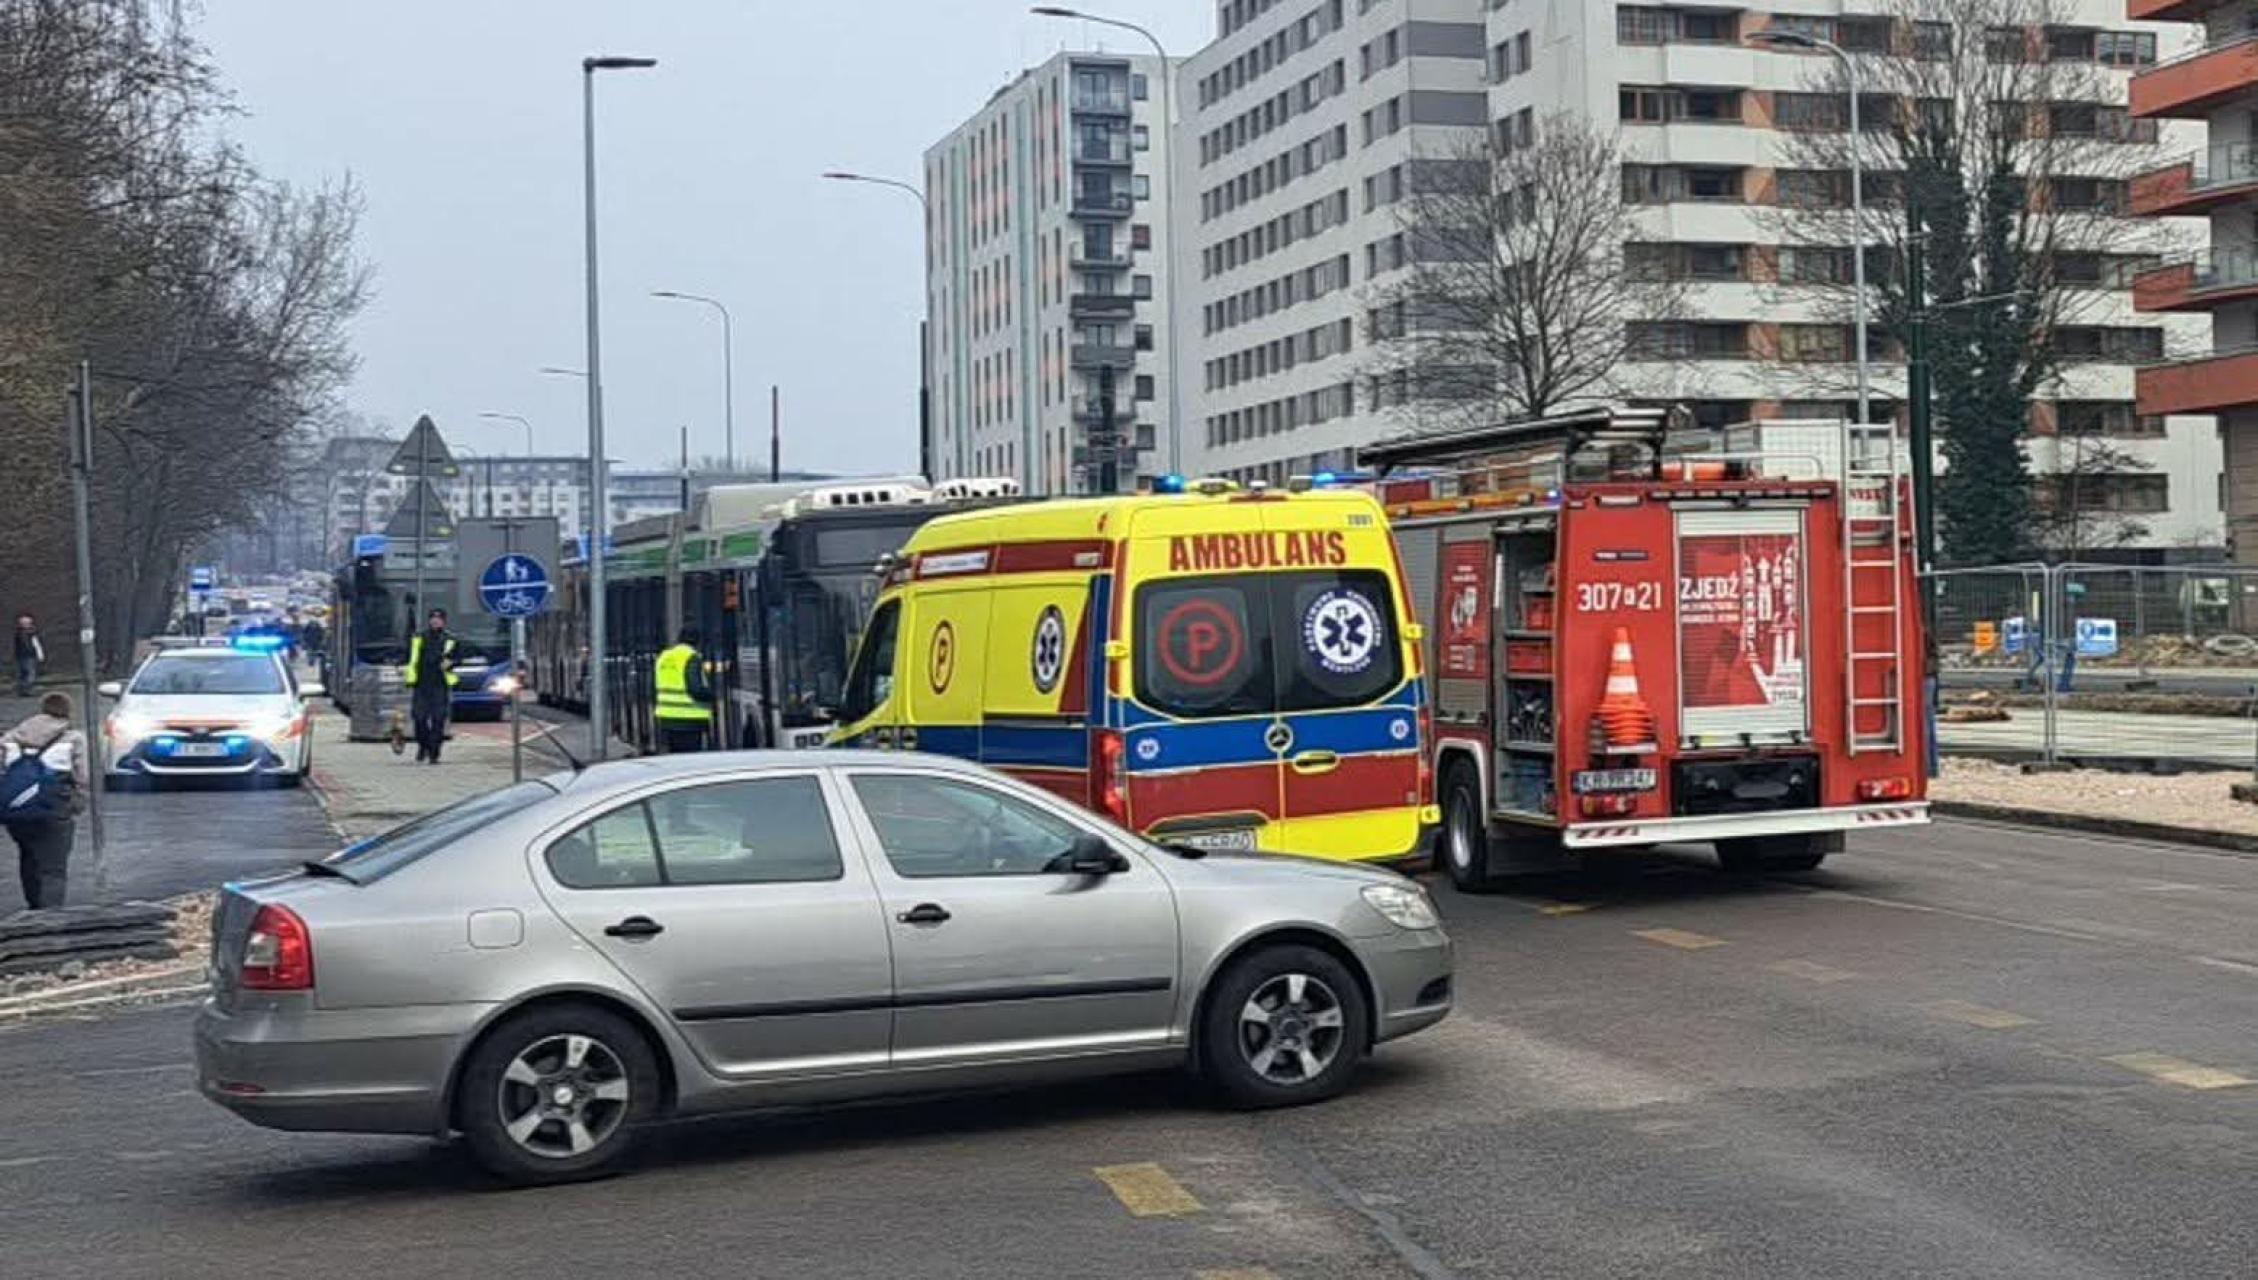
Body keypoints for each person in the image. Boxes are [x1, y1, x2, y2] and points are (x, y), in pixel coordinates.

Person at [2, 692, 89, 910]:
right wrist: (78, 804)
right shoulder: (74, 739)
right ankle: (50, 917)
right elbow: (83, 777)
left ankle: (33, 907)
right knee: (53, 868)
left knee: (28, 858)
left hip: (17, 812)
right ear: (68, 711)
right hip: (55, 810)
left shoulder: (11, 737)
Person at [403, 608, 459, 764]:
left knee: (438, 720)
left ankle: (434, 753)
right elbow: (409, 656)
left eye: (439, 618)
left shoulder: (451, 640)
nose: (435, 621)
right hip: (421, 684)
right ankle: (423, 746)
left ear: (444, 621)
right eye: (433, 618)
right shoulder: (418, 638)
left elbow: (459, 657)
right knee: (419, 719)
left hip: (440, 684)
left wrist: (452, 663)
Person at [653, 627, 715, 754]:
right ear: (697, 642)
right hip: (689, 720)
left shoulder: (664, 657)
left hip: (667, 719)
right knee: (690, 758)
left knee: (676, 758)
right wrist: (710, 695)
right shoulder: (691, 657)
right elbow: (696, 689)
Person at [13, 615, 43, 697]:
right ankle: (26, 689)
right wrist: (37, 654)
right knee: (29, 673)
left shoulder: (23, 633)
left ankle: (23, 689)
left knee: (24, 673)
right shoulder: (26, 634)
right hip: (28, 656)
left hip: (23, 656)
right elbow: (31, 645)